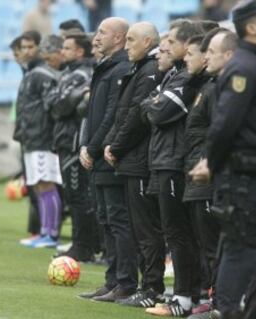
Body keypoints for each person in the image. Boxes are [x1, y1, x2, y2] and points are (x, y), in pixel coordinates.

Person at [190, 1, 256, 318]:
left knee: (253, 251)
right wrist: (213, 165)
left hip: (254, 174)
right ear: (252, 27)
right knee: (238, 249)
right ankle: (227, 311)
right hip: (240, 176)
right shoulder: (244, 68)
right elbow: (224, 126)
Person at [144, 20, 209, 317]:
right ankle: (189, 295)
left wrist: (152, 103)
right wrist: (151, 102)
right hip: (166, 160)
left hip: (174, 162)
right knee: (177, 232)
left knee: (180, 233)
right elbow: (148, 106)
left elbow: (157, 111)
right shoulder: (178, 77)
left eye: (170, 40)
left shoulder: (187, 80)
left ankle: (185, 298)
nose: (163, 46)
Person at [102, 21, 166, 308]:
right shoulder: (140, 69)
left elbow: (138, 117)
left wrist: (116, 146)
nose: (126, 45)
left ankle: (152, 288)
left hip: (140, 161)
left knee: (146, 230)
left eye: (131, 40)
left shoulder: (149, 71)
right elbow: (124, 113)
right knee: (139, 228)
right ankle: (143, 286)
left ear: (148, 41)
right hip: (131, 159)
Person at [79, 17, 138, 302]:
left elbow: (113, 114)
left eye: (102, 32)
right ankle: (112, 280)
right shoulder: (105, 67)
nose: (96, 37)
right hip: (97, 154)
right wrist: (85, 145)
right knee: (105, 219)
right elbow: (93, 114)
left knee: (117, 220)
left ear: (118, 38)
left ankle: (125, 282)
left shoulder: (122, 68)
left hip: (108, 156)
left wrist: (92, 147)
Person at [185, 29, 238, 319]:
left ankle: (219, 302)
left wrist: (209, 164)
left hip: (216, 176)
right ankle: (212, 297)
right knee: (208, 244)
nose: (206, 57)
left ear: (228, 55)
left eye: (211, 52)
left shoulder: (224, 90)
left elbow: (221, 134)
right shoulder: (211, 86)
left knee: (216, 245)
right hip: (205, 173)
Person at [46, 34, 95, 262]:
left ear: (79, 52)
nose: (61, 51)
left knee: (78, 196)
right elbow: (53, 103)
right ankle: (81, 244)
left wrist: (62, 100)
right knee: (74, 196)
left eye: (67, 48)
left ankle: (83, 246)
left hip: (75, 142)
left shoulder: (81, 74)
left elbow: (59, 105)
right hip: (66, 140)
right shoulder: (69, 73)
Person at [14, 32, 63, 249]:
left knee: (47, 184)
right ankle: (44, 231)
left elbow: (52, 108)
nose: (26, 52)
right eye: (22, 48)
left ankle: (51, 234)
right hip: (32, 138)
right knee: (39, 186)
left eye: (31, 47)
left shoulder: (43, 75)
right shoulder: (32, 73)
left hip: (42, 139)